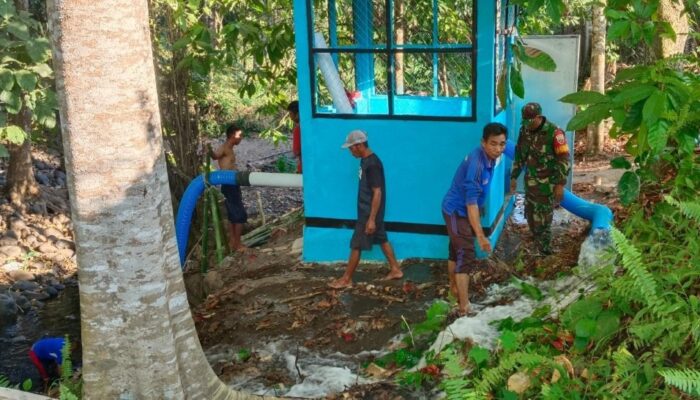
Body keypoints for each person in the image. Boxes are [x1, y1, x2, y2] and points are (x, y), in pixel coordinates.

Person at [442, 123, 508, 316]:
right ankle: (464, 307)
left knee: (456, 250)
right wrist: (480, 236)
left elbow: (477, 198)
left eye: (502, 144)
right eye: (493, 144)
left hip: (464, 210)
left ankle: (453, 289)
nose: (498, 149)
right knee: (466, 253)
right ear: (483, 143)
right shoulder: (477, 165)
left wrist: (481, 205)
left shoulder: (490, 157)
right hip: (456, 211)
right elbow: (470, 204)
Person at [329, 130, 403, 289]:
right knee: (381, 238)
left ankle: (346, 279)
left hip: (369, 212)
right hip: (368, 211)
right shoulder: (365, 161)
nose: (350, 151)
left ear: (360, 145)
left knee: (356, 244)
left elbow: (377, 192)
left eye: (351, 148)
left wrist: (371, 219)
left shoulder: (372, 164)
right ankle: (396, 269)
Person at [510, 102, 571, 255]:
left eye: (530, 121)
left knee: (543, 220)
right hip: (530, 184)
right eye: (525, 122)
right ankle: (536, 243)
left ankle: (545, 253)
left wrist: (559, 184)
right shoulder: (524, 130)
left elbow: (564, 160)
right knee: (530, 215)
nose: (527, 125)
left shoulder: (555, 133)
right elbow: (519, 155)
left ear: (538, 117)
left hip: (546, 186)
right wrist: (513, 176)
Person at [209, 124, 248, 252]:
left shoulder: (230, 148)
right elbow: (215, 155)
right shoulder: (225, 147)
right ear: (232, 135)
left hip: (232, 184)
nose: (241, 138)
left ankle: (233, 243)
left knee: (233, 215)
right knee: (240, 215)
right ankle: (237, 245)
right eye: (240, 135)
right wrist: (208, 149)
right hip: (229, 185)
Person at [287, 100, 302, 173]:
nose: (290, 117)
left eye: (290, 114)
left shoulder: (298, 130)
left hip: (304, 167)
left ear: (298, 114)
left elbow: (296, 151)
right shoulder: (309, 127)